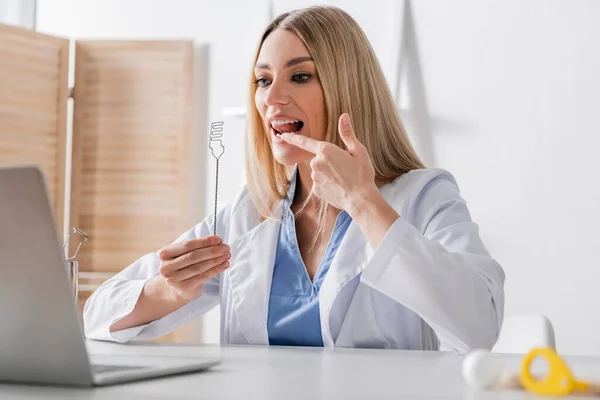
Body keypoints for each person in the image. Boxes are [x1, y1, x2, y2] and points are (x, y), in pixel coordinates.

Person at [83, 6, 505, 354]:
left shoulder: (424, 196)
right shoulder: (251, 212)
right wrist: (170, 292)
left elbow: (478, 326)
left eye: (300, 76)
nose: (271, 98)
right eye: (263, 80)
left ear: (347, 87)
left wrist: (364, 202)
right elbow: (97, 315)